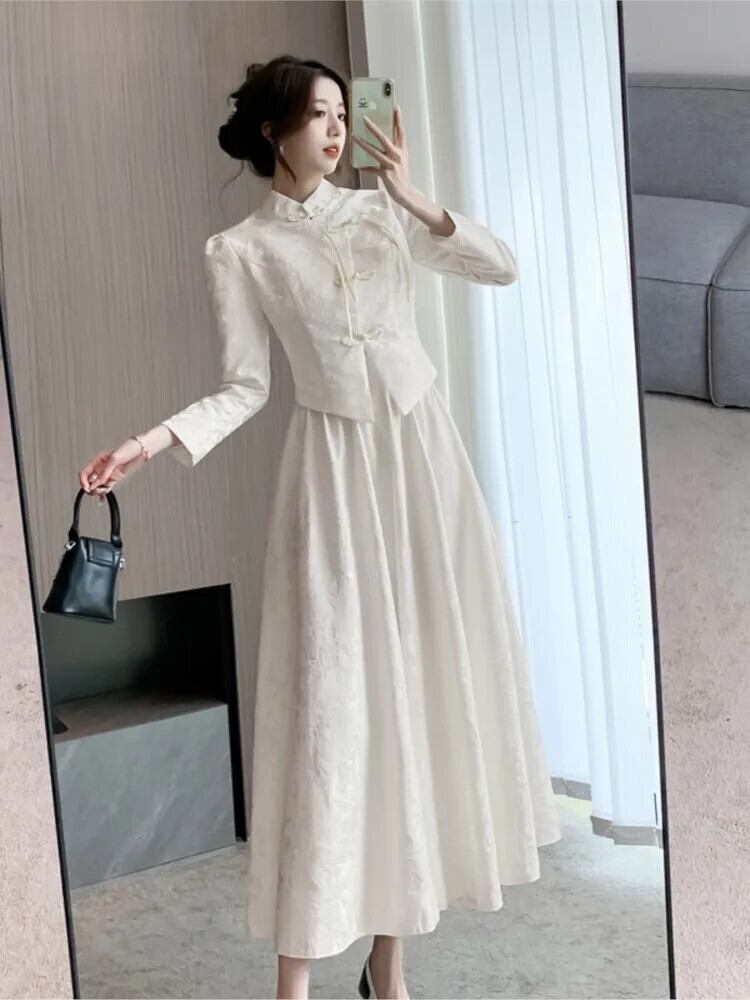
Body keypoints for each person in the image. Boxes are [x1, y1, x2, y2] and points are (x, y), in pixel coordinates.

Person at [79, 55, 562, 1000]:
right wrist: (149, 441)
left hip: (423, 468)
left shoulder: (384, 214)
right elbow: (245, 387)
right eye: (317, 115)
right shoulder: (241, 250)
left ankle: (389, 966)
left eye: (344, 112)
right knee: (333, 707)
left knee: (414, 693)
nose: (338, 129)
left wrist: (413, 197)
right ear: (273, 131)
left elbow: (501, 266)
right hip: (334, 480)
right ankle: (293, 982)